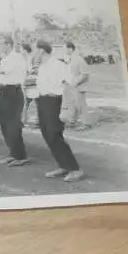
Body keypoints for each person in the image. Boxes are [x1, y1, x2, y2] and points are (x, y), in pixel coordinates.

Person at [34, 40, 84, 182]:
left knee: (54, 134)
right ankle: (63, 165)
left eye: (34, 50)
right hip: (42, 101)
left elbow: (71, 83)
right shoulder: (42, 67)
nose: (33, 53)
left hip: (54, 102)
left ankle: (75, 169)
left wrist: (66, 105)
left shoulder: (59, 65)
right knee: (47, 134)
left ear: (41, 51)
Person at [0, 36, 28, 166]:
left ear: (9, 44)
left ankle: (20, 156)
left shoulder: (16, 57)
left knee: (13, 125)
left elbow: (3, 71)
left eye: (1, 44)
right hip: (4, 91)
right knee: (4, 123)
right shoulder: (5, 58)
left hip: (14, 92)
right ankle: (13, 153)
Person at [65, 41, 92, 131]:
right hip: (73, 86)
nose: (64, 50)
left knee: (81, 105)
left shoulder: (79, 59)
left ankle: (86, 124)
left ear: (70, 48)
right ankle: (72, 121)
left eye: (65, 48)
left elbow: (85, 74)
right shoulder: (71, 59)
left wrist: (75, 83)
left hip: (79, 86)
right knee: (73, 104)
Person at [21, 43, 40, 127]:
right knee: (26, 102)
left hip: (33, 82)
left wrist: (30, 72)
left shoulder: (32, 58)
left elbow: (36, 69)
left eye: (22, 50)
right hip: (29, 82)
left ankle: (37, 121)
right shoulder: (26, 58)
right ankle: (23, 120)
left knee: (36, 102)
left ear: (24, 50)